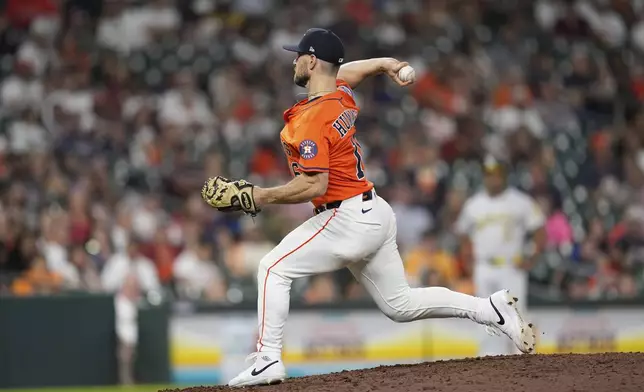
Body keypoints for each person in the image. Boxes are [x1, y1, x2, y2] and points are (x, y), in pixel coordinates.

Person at [201, 28, 536, 387]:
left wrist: (257, 196)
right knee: (400, 306)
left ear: (312, 61)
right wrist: (385, 63)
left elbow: (316, 184)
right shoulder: (340, 94)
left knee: (272, 268)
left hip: (344, 216)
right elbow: (347, 73)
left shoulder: (312, 117)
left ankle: (267, 358)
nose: (293, 60)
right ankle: (490, 308)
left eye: (298, 54)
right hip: (373, 211)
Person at [455, 155, 546, 356]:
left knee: (516, 316)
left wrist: (532, 256)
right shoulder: (474, 204)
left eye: (496, 174)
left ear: (504, 176)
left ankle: (523, 363)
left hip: (511, 267)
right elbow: (462, 233)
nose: (492, 179)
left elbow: (539, 228)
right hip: (484, 266)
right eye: (488, 175)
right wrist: (468, 260)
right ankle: (489, 363)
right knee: (484, 317)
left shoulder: (520, 201)